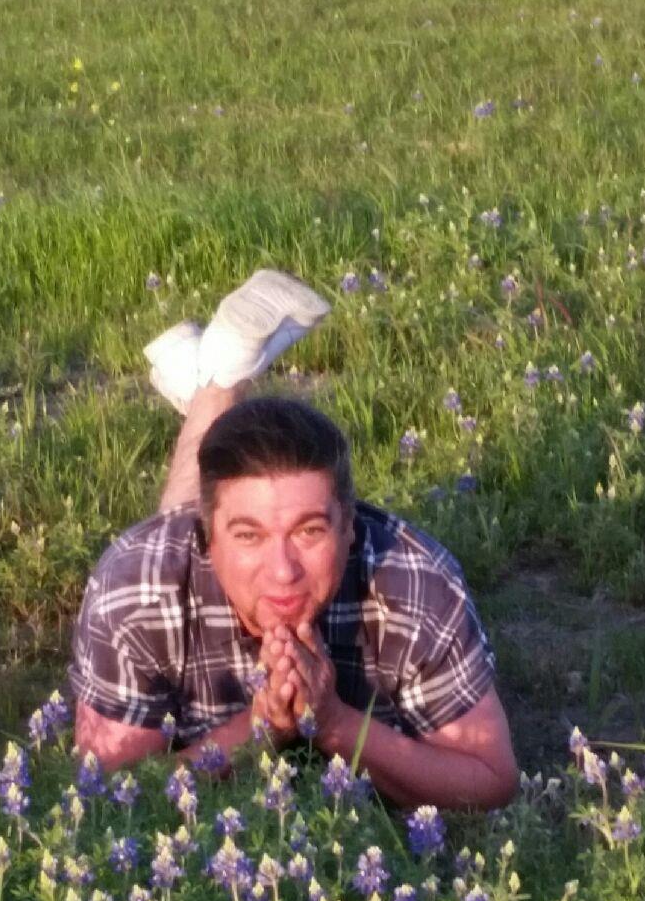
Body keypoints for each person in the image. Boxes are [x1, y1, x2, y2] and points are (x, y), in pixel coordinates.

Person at [70, 271, 518, 810]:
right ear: (207, 538)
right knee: (165, 558)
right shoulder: (135, 583)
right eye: (248, 537)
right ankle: (216, 382)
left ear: (350, 526)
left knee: (209, 524)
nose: (283, 571)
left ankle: (214, 382)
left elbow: (491, 779)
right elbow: (109, 798)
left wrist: (333, 723)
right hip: (174, 557)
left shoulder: (416, 580)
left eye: (309, 530)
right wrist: (259, 726)